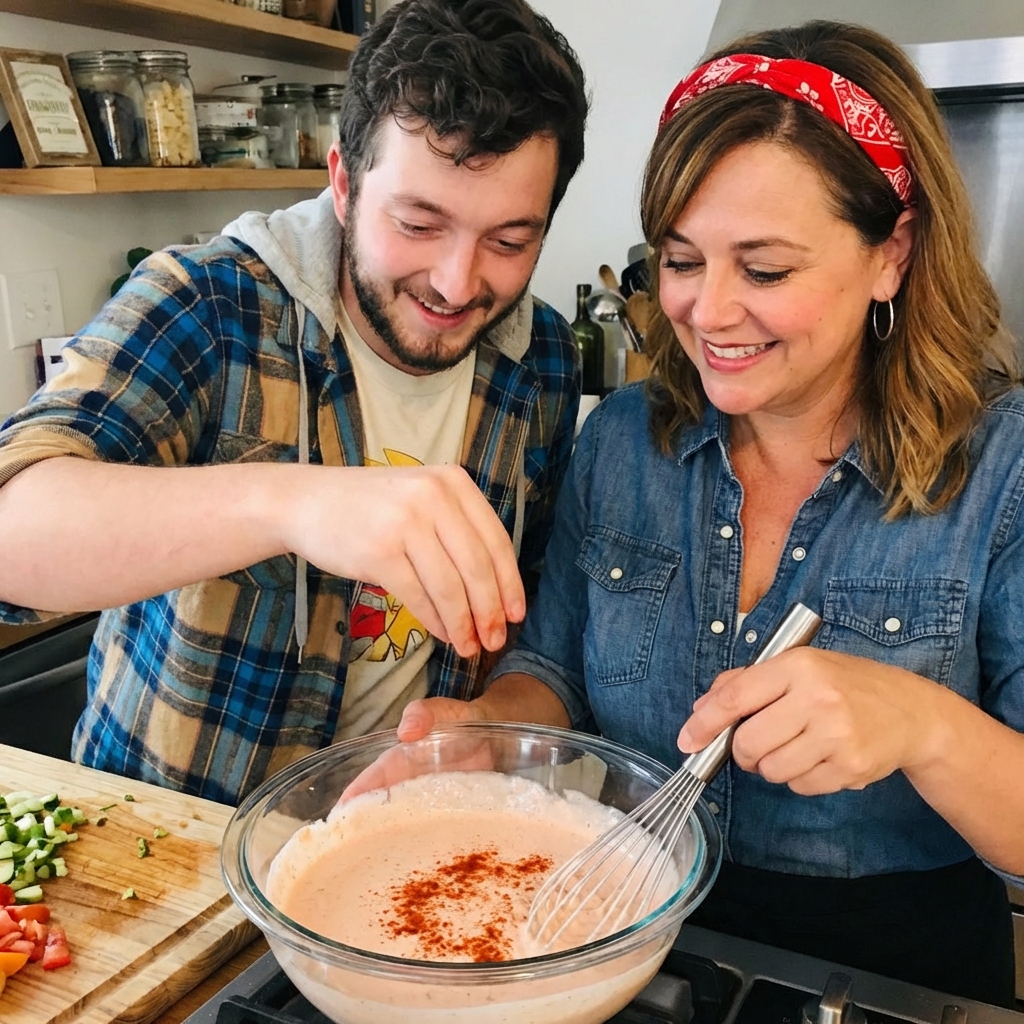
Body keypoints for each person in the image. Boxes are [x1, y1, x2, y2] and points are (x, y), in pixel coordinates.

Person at [395, 20, 1024, 1007]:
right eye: (680, 261)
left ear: (891, 254)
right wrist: (487, 730)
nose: (707, 312)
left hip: (889, 977)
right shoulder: (624, 443)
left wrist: (925, 726)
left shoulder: (1003, 473)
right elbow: (551, 668)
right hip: (627, 943)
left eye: (764, 269)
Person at [0, 0, 587, 806]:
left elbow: (541, 616)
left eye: (510, 241)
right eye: (418, 224)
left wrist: (485, 720)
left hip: (404, 847)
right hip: (180, 848)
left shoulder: (542, 359)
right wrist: (292, 501)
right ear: (343, 181)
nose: (458, 282)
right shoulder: (209, 304)